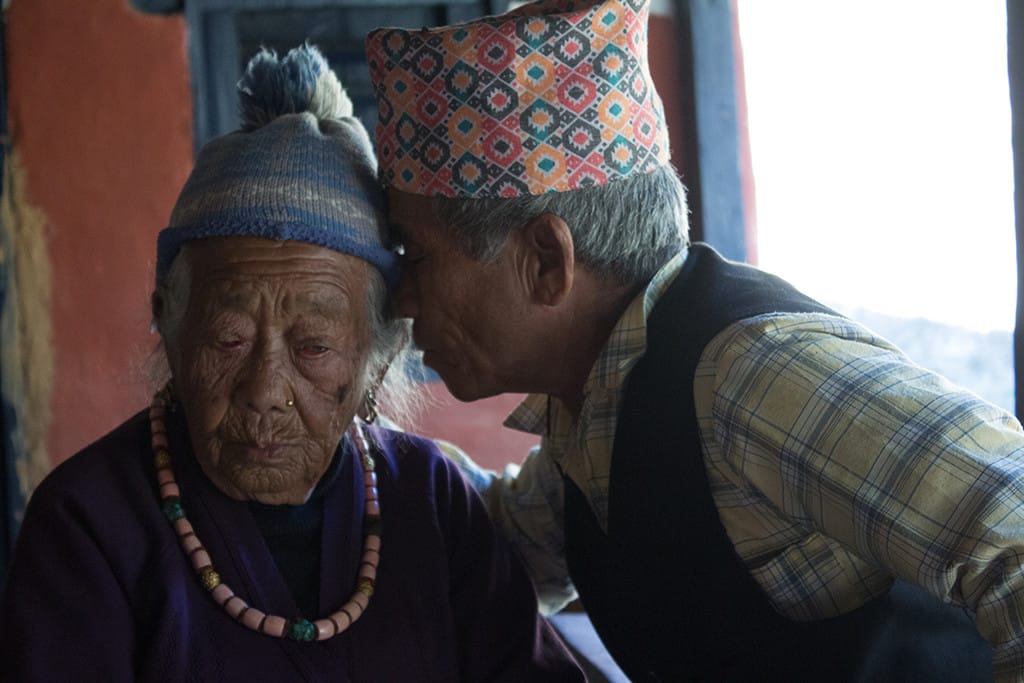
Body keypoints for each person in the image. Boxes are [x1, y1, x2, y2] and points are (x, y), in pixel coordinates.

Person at [365, 0, 1023, 680]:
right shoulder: (594, 413)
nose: (404, 297)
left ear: (546, 261)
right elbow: (502, 539)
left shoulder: (749, 377)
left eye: (416, 256)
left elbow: (1014, 516)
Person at [0, 45, 583, 682]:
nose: (265, 390)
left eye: (313, 348)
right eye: (228, 339)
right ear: (166, 320)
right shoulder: (88, 522)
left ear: (380, 356)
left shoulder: (430, 497)